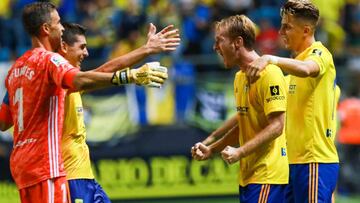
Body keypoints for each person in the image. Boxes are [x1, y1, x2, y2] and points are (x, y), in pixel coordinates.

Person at [1, 2, 177, 202]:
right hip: (54, 170)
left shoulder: (17, 70)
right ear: (46, 29)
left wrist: (145, 50)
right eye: (58, 23)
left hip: (27, 168)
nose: (61, 28)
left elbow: (4, 121)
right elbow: (82, 79)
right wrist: (130, 76)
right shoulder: (51, 64)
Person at [58, 22, 179, 203]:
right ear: (64, 47)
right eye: (82, 47)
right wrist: (131, 76)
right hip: (71, 178)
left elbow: (103, 71)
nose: (86, 53)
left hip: (84, 176)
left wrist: (146, 50)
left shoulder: (72, 80)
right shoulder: (58, 79)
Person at [246, 0, 339, 202]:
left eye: (287, 27)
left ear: (306, 30)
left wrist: (271, 59)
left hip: (314, 161)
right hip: (291, 162)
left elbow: (308, 69)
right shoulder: (293, 69)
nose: (280, 32)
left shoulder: (319, 53)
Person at [191, 15, 288, 203]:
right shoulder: (240, 77)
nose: (215, 47)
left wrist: (239, 152)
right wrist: (212, 148)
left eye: (219, 41)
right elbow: (244, 123)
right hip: (249, 177)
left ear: (237, 42)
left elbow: (277, 126)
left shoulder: (270, 74)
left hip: (268, 175)